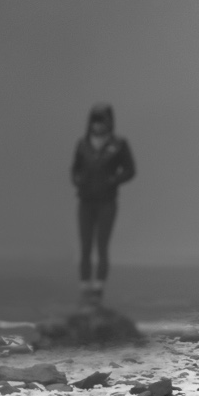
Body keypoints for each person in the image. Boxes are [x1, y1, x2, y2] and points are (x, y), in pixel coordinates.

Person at [70, 103, 136, 301]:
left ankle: (98, 288)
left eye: (102, 122)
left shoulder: (119, 144)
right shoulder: (83, 144)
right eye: (95, 122)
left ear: (109, 123)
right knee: (85, 245)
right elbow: (74, 169)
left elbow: (130, 170)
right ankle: (84, 286)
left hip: (107, 201)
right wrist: (77, 180)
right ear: (90, 123)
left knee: (102, 245)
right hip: (86, 201)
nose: (98, 127)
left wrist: (113, 180)